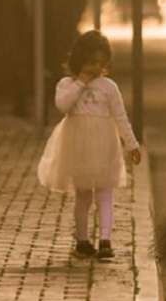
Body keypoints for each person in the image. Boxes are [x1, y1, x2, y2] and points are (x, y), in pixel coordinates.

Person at [38, 30, 141, 259]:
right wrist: (80, 82)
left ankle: (105, 240)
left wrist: (132, 145)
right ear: (79, 60)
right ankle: (83, 241)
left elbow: (120, 117)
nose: (95, 68)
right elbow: (62, 106)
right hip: (78, 146)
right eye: (90, 62)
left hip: (104, 144)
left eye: (99, 63)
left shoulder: (109, 87)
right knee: (83, 194)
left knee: (105, 192)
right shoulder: (66, 84)